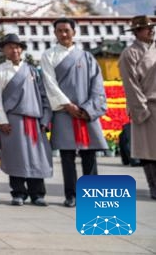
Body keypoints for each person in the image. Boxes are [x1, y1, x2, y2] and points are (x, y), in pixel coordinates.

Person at [40, 17, 108, 207]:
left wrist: (87, 108)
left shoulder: (87, 57)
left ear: (74, 32)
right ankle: (71, 195)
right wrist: (68, 105)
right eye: (59, 30)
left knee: (89, 155)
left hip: (86, 113)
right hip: (63, 112)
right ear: (54, 33)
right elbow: (49, 83)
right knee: (67, 156)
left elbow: (97, 86)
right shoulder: (49, 56)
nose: (63, 34)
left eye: (66, 30)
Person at [0, 33, 53, 206]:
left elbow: (43, 96)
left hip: (34, 120)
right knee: (15, 157)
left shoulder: (33, 70)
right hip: (12, 121)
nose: (15, 50)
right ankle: (18, 192)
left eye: (17, 46)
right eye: (10, 46)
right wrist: (1, 121)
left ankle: (37, 193)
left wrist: (45, 119)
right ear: (4, 49)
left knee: (36, 157)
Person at [118, 15, 156, 200]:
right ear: (136, 32)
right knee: (148, 150)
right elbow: (130, 84)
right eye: (146, 28)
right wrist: (141, 109)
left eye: (151, 27)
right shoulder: (129, 53)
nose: (151, 30)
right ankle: (154, 186)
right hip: (146, 105)